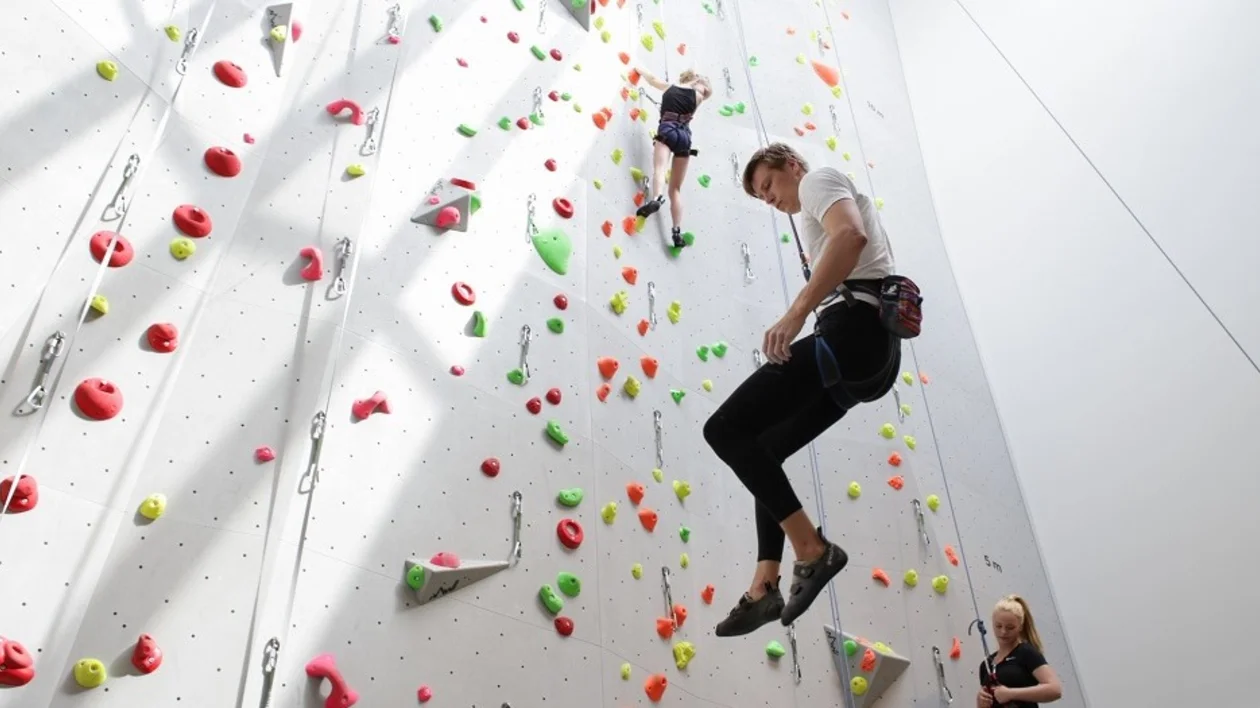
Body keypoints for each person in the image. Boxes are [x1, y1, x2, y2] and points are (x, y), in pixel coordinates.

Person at [705, 143, 901, 635]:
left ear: (791, 165)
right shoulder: (809, 207)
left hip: (853, 332)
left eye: (768, 185)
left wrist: (795, 316)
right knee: (765, 449)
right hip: (871, 357)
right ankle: (763, 586)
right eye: (758, 196)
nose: (767, 199)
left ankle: (813, 551)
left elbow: (851, 236)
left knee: (724, 429)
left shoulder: (817, 181)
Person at [633, 67, 712, 248]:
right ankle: (677, 232)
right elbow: (698, 93)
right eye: (705, 88)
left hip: (668, 130)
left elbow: (652, 79)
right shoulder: (697, 97)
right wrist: (699, 84)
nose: (704, 92)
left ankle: (657, 198)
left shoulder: (671, 87)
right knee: (675, 189)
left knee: (660, 169)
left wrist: (639, 69)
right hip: (684, 138)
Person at [977, 595, 1063, 708]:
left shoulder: (1025, 652)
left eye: (1010, 627)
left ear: (1020, 627)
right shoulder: (986, 665)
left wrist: (1011, 694)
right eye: (998, 626)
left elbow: (1055, 689)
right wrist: (980, 703)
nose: (1003, 632)